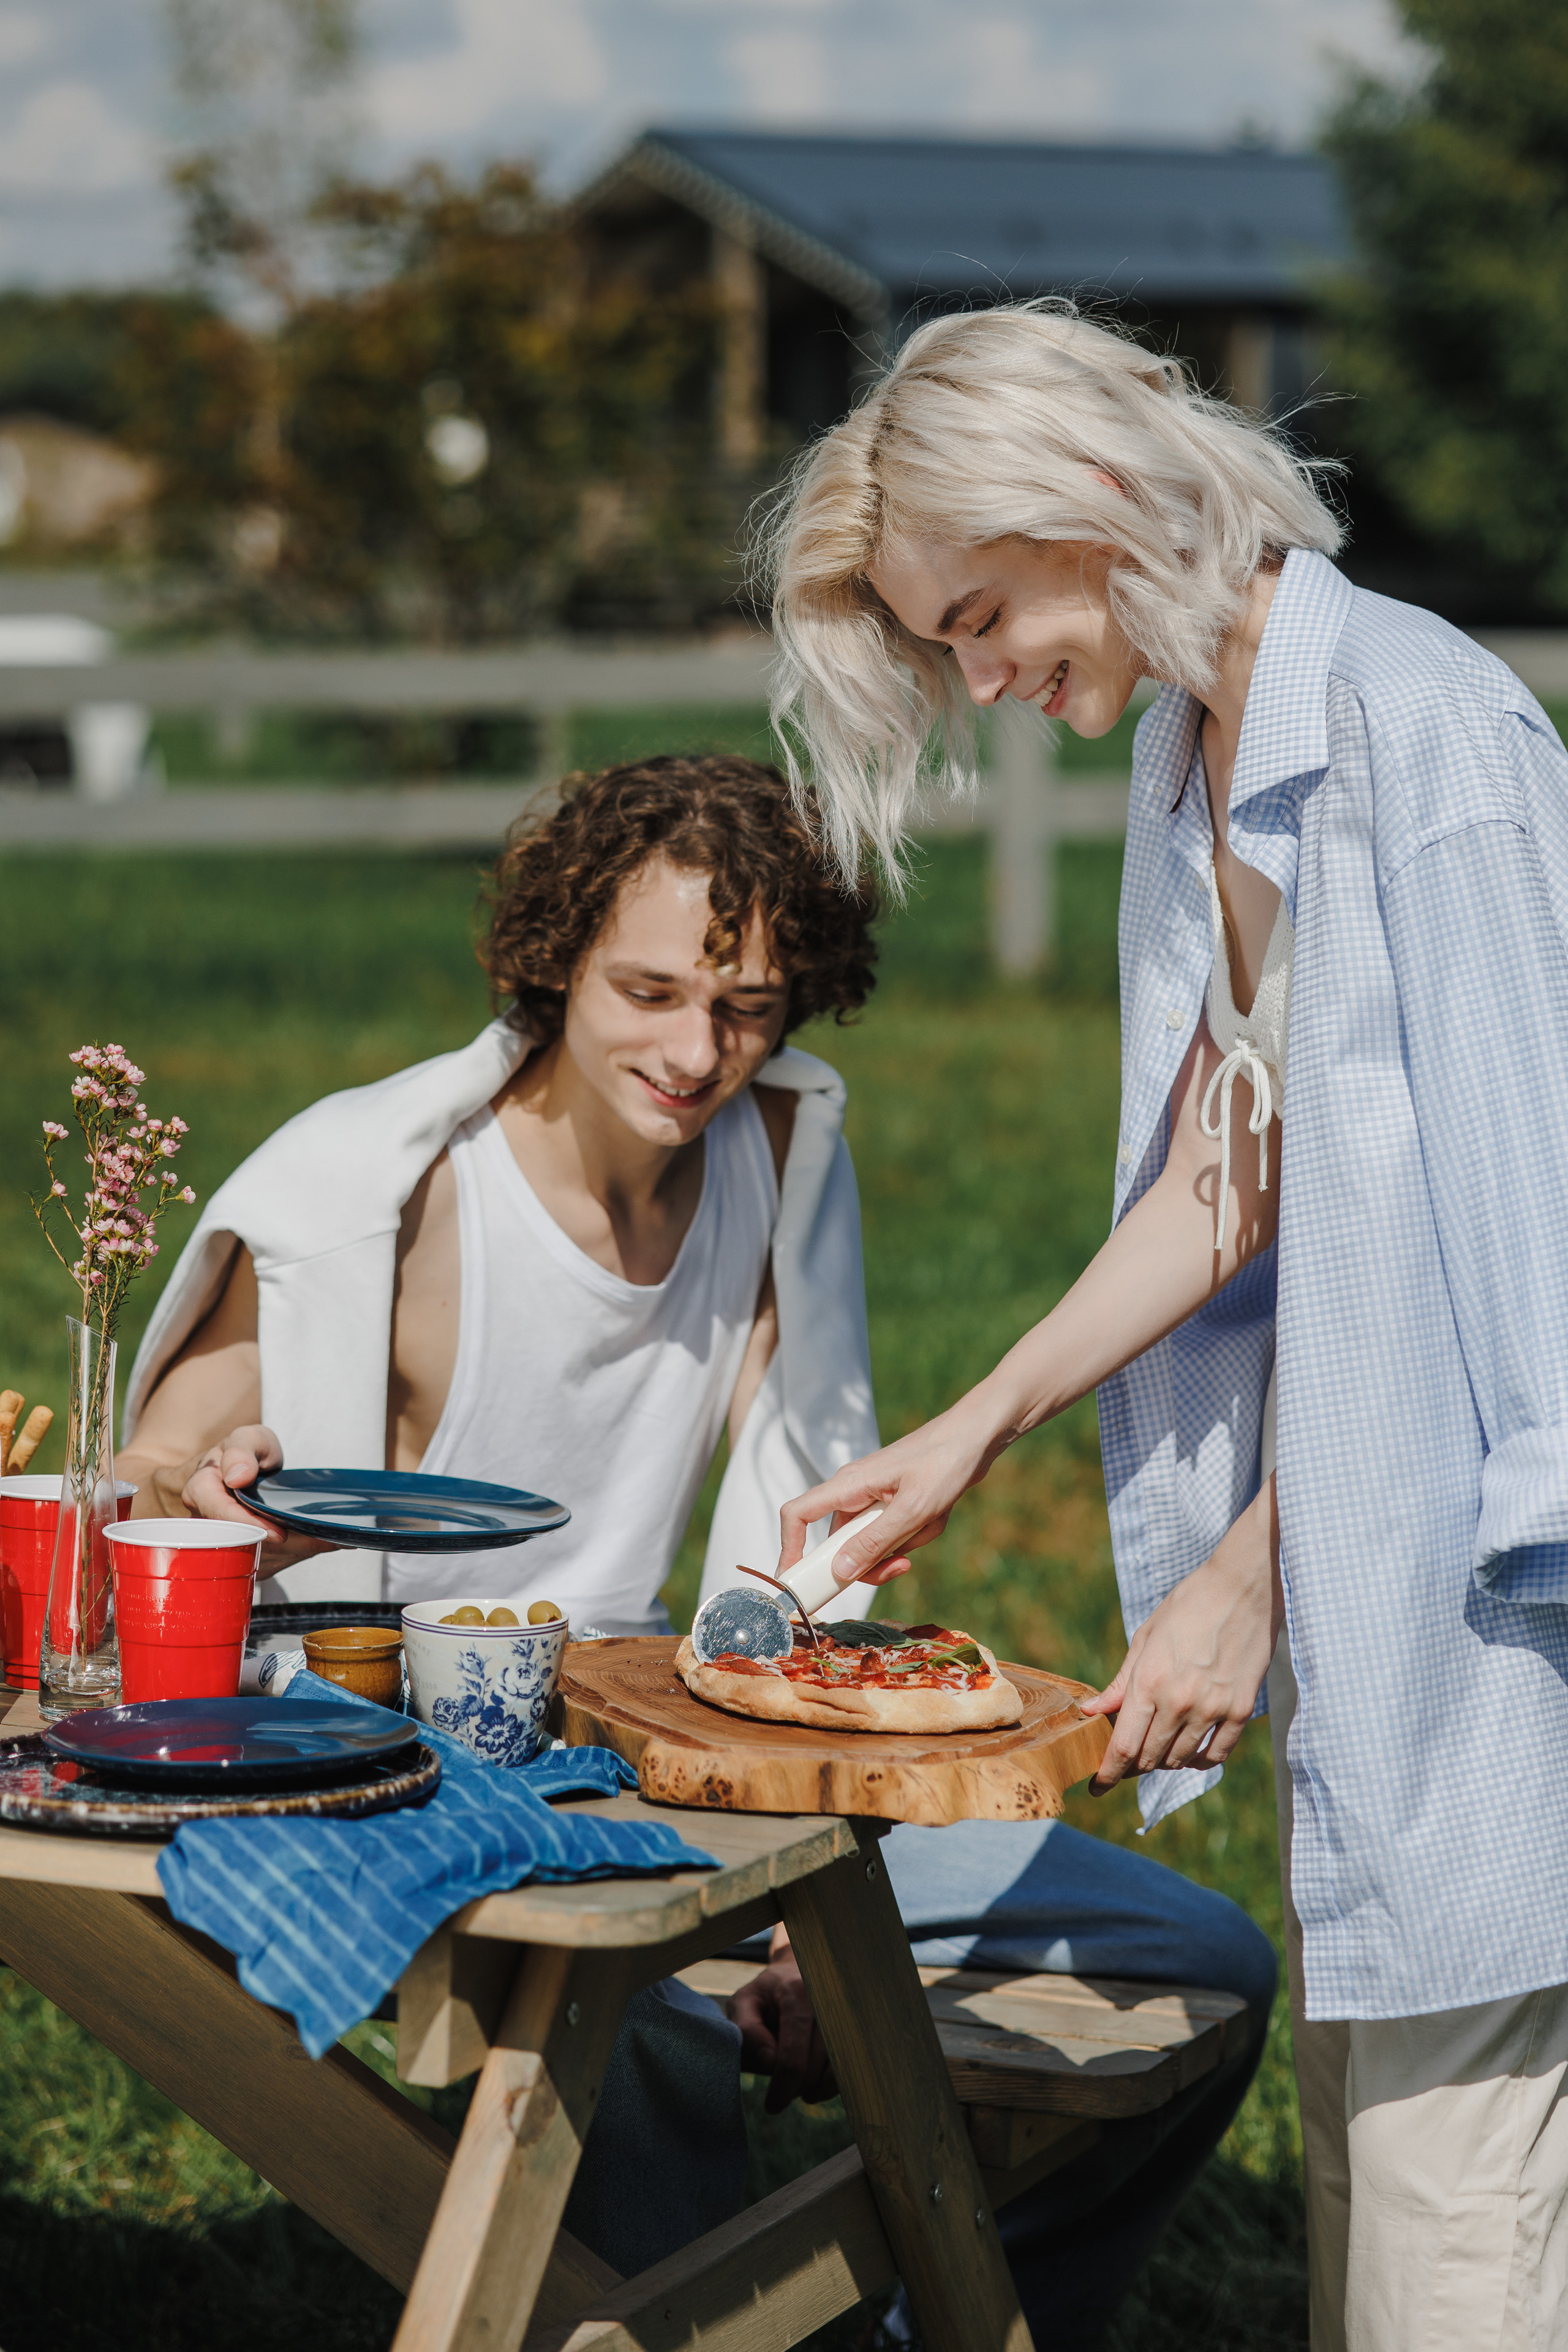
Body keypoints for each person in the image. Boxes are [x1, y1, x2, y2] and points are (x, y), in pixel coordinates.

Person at [123, 752, 1274, 2330]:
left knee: (1201, 1955)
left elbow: (799, 1529)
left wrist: (815, 1909)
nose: (694, 1050)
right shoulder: (386, 1194)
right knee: (630, 2004)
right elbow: (164, 1452)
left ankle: (930, 2316)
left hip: (669, 1735)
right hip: (411, 1759)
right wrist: (210, 1471)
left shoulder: (779, 1157)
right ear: (557, 963)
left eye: (743, 1006)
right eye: (648, 990)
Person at [761, 297, 1568, 2352]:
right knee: (1378, 2249)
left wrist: (1251, 1571)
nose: (980, 677)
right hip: (1385, 1669)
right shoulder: (1195, 754)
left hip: (1503, 1649)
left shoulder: (1433, 734)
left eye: (979, 613)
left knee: (1459, 2272)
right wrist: (983, 1421)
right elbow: (1240, 1158)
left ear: (1096, 497)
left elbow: (1535, 1276)